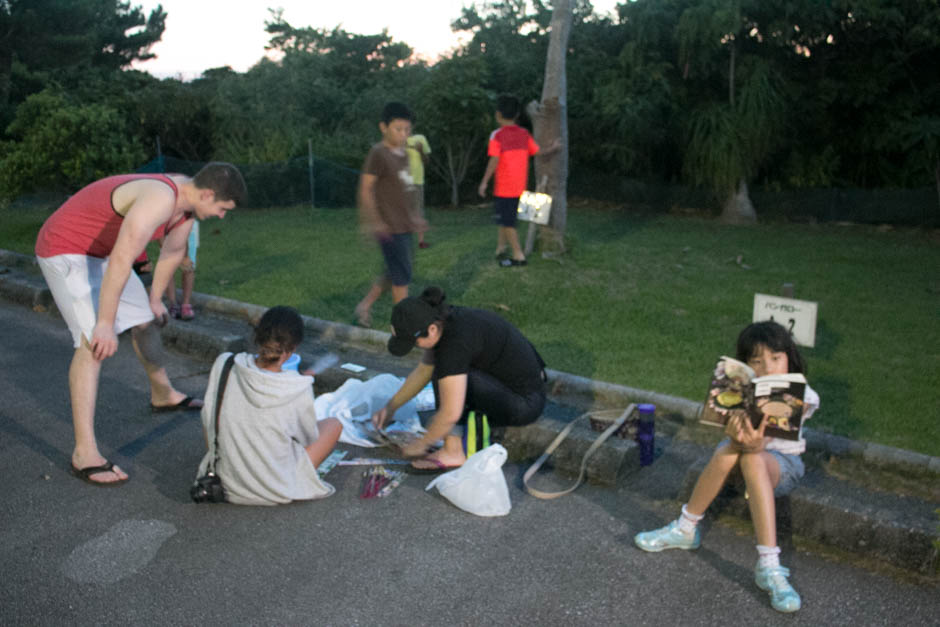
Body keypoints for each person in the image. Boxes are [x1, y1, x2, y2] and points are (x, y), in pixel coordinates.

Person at [34, 162, 246, 486]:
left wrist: (155, 299)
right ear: (206, 194)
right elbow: (123, 258)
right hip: (66, 248)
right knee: (93, 343)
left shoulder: (185, 209)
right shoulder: (161, 198)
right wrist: (105, 323)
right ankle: (84, 453)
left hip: (100, 254)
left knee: (146, 322)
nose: (221, 216)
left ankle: (162, 393)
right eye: (221, 208)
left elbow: (172, 254)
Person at [633, 321, 820, 613]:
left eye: (775, 358)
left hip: (781, 466)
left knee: (752, 456)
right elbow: (739, 438)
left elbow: (761, 442)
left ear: (789, 357)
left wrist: (747, 440)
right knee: (731, 448)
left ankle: (769, 566)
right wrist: (732, 429)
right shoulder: (746, 390)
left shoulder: (803, 395)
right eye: (756, 361)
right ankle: (685, 529)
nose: (768, 367)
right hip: (743, 456)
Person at [372, 286, 546, 471]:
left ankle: (452, 452)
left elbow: (450, 413)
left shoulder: (454, 345)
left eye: (414, 342)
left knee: (446, 375)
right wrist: (391, 407)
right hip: (520, 386)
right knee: (442, 370)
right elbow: (423, 371)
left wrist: (420, 445)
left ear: (431, 329)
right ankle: (452, 447)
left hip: (525, 403)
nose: (416, 347)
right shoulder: (444, 320)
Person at [196, 306, 343, 506]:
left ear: (257, 336)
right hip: (273, 488)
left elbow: (208, 419)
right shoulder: (298, 386)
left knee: (217, 415)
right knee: (334, 424)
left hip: (224, 481)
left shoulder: (225, 363)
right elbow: (307, 439)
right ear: (294, 348)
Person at [354, 102, 426, 328]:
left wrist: (414, 216)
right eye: (398, 129)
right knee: (402, 278)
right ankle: (401, 326)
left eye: (407, 130)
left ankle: (364, 306)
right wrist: (373, 222)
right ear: (383, 127)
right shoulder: (378, 154)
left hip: (404, 224)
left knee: (393, 273)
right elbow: (366, 189)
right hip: (389, 227)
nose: (404, 134)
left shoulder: (404, 154)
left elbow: (405, 188)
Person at [478, 94, 539, 268]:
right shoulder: (524, 134)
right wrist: (553, 148)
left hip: (504, 188)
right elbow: (537, 151)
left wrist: (484, 182)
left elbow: (494, 160)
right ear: (517, 114)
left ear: (498, 115)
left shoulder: (497, 136)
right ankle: (500, 248)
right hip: (520, 187)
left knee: (507, 222)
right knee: (505, 219)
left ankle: (518, 256)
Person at [164, 220, 199, 320]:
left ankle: (186, 304)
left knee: (188, 266)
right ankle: (172, 304)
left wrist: (185, 256)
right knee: (168, 268)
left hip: (188, 228)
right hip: (167, 227)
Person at [406, 131, 432, 249]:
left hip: (417, 181)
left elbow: (427, 161)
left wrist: (420, 151)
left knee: (418, 212)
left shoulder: (421, 138)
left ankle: (421, 242)